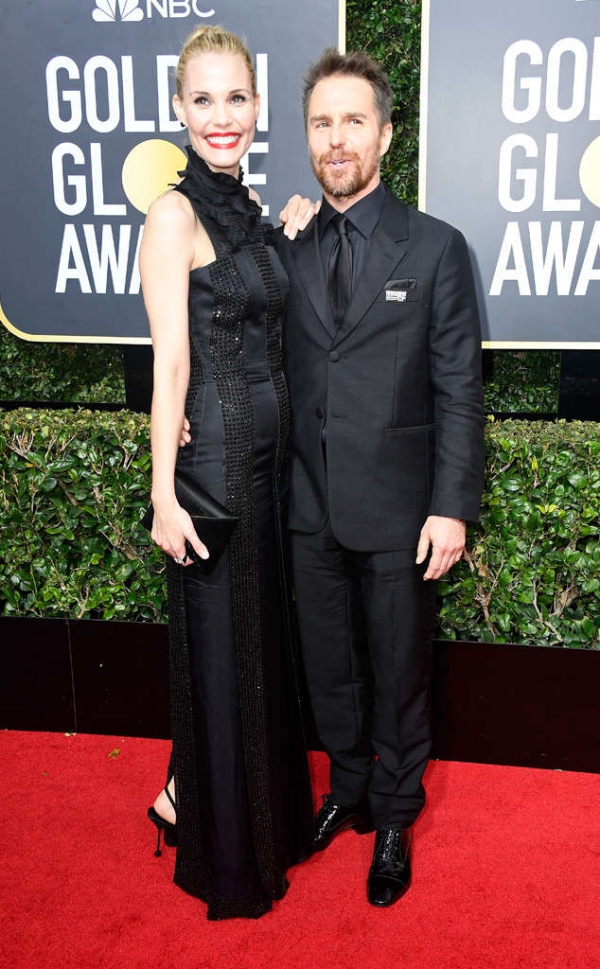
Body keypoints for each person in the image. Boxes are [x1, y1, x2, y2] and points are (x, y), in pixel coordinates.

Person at [273, 49, 485, 908]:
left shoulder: (435, 247)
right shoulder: (286, 245)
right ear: (307, 137)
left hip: (401, 511)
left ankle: (396, 814)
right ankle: (350, 788)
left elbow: (459, 389)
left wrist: (451, 507)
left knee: (399, 671)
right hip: (307, 505)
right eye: (322, 123)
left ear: (386, 135)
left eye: (353, 121)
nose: (337, 139)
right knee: (330, 667)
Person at [139, 25, 314, 921]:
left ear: (256, 104)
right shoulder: (172, 217)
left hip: (270, 473)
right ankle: (215, 835)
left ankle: (208, 798)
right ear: (178, 108)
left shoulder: (247, 209)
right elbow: (171, 361)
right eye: (203, 99)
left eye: (235, 98)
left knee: (258, 646)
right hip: (213, 470)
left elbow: (258, 309)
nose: (221, 116)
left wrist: (288, 233)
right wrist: (161, 492)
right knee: (222, 652)